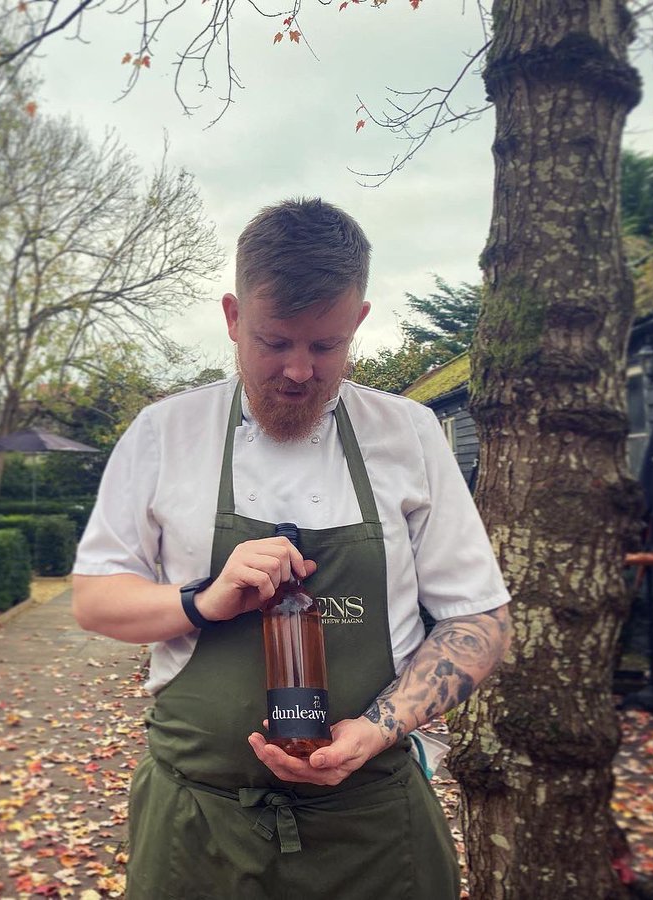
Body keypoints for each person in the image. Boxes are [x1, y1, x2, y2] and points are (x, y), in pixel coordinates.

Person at [71, 198, 511, 900]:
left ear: (358, 321)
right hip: (197, 832)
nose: (300, 371)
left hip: (372, 835)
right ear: (233, 317)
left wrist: (380, 727)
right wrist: (203, 601)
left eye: (326, 346)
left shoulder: (410, 434)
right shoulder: (164, 433)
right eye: (274, 342)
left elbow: (479, 619)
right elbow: (95, 599)